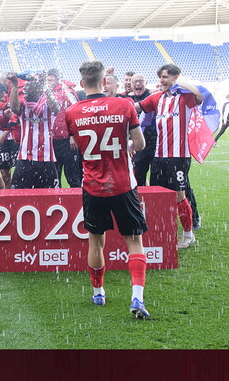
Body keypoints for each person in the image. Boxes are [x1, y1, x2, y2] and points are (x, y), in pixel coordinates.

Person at [65, 60, 150, 319]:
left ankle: (98, 292)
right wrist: (125, 146)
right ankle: (137, 297)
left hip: (93, 186)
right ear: (104, 81)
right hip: (123, 184)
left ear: (82, 84)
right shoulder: (124, 105)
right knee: (133, 240)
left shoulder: (72, 112)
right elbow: (140, 144)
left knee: (95, 241)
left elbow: (77, 145)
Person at [136, 63, 204, 250]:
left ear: (175, 77)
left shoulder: (185, 97)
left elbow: (200, 96)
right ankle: (163, 233)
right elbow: (136, 107)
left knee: (179, 195)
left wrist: (181, 83)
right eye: (160, 77)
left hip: (179, 156)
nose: (161, 80)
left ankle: (188, 235)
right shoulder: (157, 98)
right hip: (159, 156)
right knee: (158, 195)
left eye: (165, 77)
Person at [7, 71, 61, 189]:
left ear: (38, 88)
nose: (24, 89)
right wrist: (14, 85)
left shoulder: (48, 105)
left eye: (28, 86)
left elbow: (56, 109)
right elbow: (14, 108)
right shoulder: (23, 105)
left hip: (46, 158)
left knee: (50, 196)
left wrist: (45, 87)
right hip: (24, 159)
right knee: (17, 195)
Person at [45, 68, 84, 188]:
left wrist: (73, 135)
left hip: (67, 139)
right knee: (54, 175)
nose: (49, 82)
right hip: (52, 139)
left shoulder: (67, 92)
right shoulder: (46, 93)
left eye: (51, 80)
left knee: (72, 174)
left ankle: (78, 197)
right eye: (47, 80)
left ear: (58, 79)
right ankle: (58, 198)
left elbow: (76, 114)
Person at [127, 73, 157, 186]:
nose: (138, 84)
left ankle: (154, 195)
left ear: (146, 83)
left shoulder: (153, 96)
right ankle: (140, 196)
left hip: (154, 142)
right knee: (138, 175)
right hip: (138, 144)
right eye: (135, 82)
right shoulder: (128, 98)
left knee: (156, 176)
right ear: (131, 85)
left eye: (141, 81)